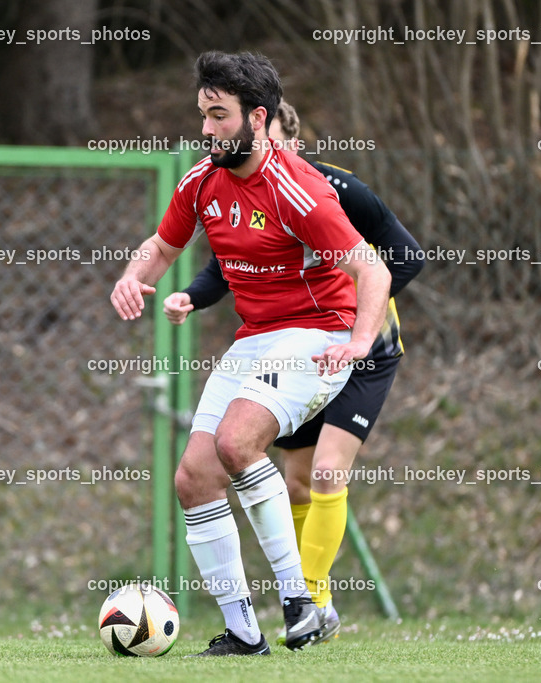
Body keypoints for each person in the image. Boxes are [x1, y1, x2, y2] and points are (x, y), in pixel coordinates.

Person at [110, 51, 392, 655]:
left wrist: (359, 344)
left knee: (238, 444)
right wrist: (134, 277)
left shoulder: (299, 189)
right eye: (203, 115)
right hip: (255, 339)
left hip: (317, 333)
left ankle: (299, 604)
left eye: (219, 116)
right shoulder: (201, 181)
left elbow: (373, 269)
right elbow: (161, 248)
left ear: (257, 119)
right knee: (194, 477)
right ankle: (243, 634)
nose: (206, 130)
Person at [163, 100, 424, 645]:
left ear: (289, 141)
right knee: (293, 479)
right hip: (288, 346)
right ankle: (261, 623)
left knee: (326, 471)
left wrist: (356, 320)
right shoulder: (237, 184)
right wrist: (189, 293)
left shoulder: (337, 189)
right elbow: (222, 267)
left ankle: (310, 599)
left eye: (276, 145)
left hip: (361, 346)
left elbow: (402, 254)